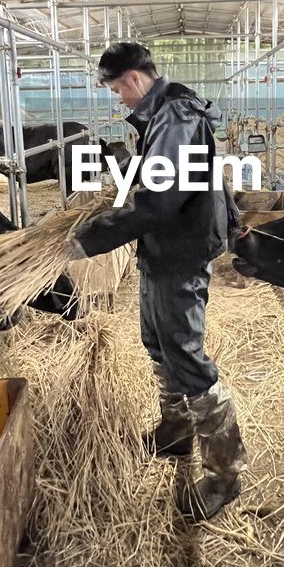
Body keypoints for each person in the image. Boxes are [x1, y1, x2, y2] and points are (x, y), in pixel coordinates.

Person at [70, 41, 247, 522]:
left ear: (130, 79)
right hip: (164, 246)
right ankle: (174, 429)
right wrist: (122, 171)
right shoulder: (164, 116)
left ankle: (224, 474)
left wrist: (92, 238)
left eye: (115, 90)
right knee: (157, 341)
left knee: (185, 356)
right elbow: (164, 174)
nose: (118, 100)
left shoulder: (174, 116)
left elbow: (159, 199)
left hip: (180, 249)